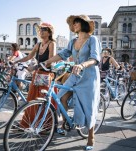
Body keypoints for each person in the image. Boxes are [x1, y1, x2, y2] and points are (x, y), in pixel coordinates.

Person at [43, 15, 101, 150]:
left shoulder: (92, 39)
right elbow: (63, 54)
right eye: (73, 24)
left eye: (77, 23)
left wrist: (82, 65)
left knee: (88, 105)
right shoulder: (73, 41)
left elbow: (95, 59)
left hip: (89, 76)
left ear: (84, 24)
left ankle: (91, 136)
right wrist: (48, 61)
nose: (74, 25)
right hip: (75, 75)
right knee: (61, 96)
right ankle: (66, 122)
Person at [13, 22, 57, 127]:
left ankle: (44, 126)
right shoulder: (38, 44)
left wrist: (35, 67)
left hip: (47, 74)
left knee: (43, 101)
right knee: (32, 100)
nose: (41, 32)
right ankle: (28, 124)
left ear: (49, 32)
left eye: (44, 30)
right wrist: (16, 61)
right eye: (40, 30)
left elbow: (51, 61)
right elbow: (29, 57)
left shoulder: (52, 43)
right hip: (37, 75)